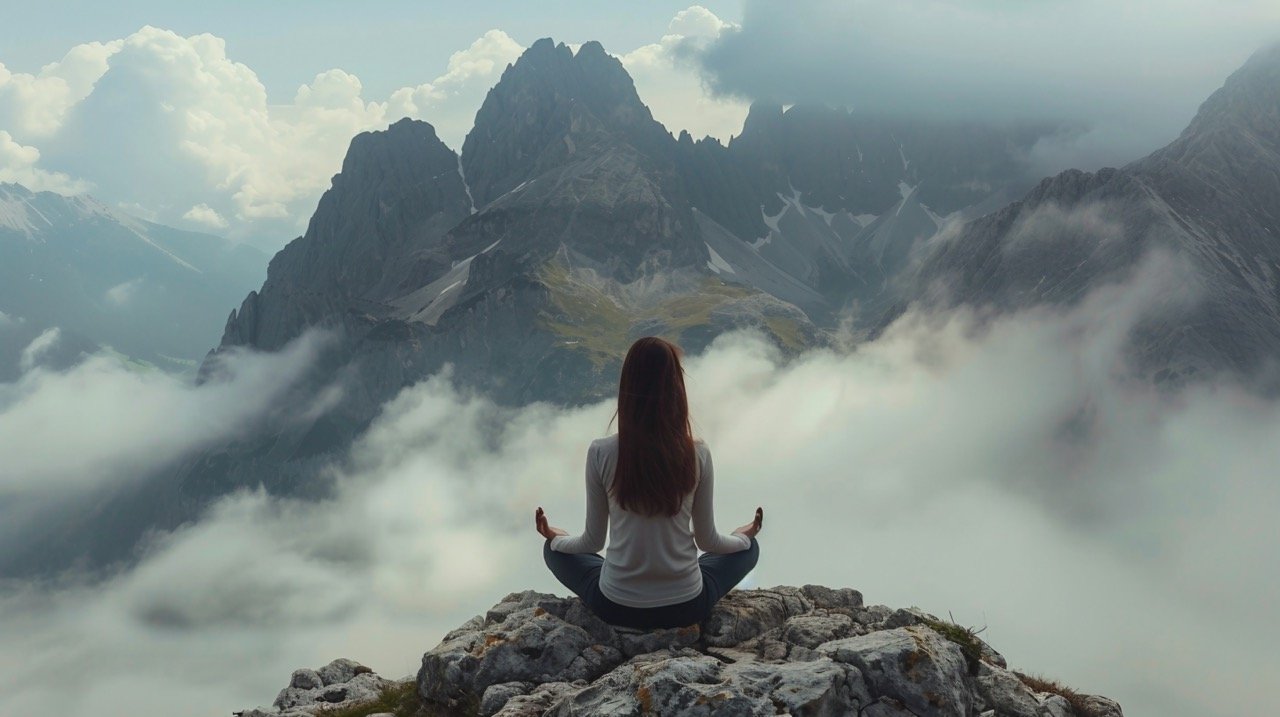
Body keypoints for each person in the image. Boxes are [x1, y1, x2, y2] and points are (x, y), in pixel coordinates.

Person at [536, 336, 763, 630]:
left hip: (617, 608)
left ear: (627, 388)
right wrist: (744, 536)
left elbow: (592, 542)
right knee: (749, 550)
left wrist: (556, 537)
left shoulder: (600, 452)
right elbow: (708, 541)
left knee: (554, 552)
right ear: (676, 389)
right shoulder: (697, 453)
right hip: (686, 606)